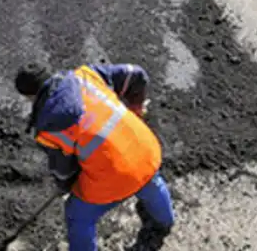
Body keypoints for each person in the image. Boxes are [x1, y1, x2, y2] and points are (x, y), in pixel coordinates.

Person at [14, 60, 175, 251]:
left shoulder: (48, 127)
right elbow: (136, 74)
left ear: (30, 97)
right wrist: (136, 110)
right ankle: (164, 221)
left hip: (115, 176)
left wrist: (66, 187)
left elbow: (63, 171)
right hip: (146, 148)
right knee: (149, 178)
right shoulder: (85, 76)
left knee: (76, 213)